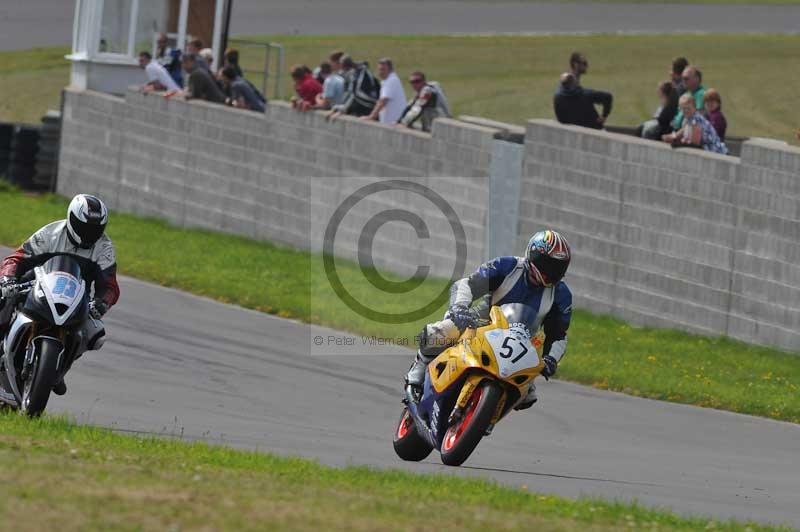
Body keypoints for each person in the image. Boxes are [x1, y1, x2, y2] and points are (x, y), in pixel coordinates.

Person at [405, 230, 572, 410]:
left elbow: (558, 335)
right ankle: (419, 366)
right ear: (533, 255)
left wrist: (551, 359)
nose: (552, 272)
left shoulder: (561, 295)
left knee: (528, 394)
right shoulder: (507, 266)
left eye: (558, 267)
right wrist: (460, 307)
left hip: (519, 345)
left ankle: (489, 414)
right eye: (548, 264)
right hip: (480, 324)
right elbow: (468, 284)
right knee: (440, 332)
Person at [0, 194, 120, 395]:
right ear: (72, 219)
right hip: (36, 287)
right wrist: (8, 279)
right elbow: (16, 259)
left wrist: (101, 303)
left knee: (95, 334)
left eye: (96, 229)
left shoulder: (104, 248)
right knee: (4, 297)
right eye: (85, 227)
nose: (90, 234)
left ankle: (60, 366)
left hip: (75, 299)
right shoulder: (51, 234)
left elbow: (110, 286)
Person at [662, 94, 728, 155]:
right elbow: (682, 131)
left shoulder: (695, 119)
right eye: (683, 108)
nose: (686, 110)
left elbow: (695, 145)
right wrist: (672, 136)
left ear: (694, 107)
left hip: (717, 153)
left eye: (688, 108)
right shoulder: (691, 118)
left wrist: (678, 142)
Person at [363, 58, 406, 124]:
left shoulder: (391, 81)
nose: (380, 72)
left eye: (383, 69)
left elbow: (383, 101)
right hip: (391, 122)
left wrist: (371, 117)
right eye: (379, 69)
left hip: (393, 123)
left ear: (390, 70)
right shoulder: (388, 80)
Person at [671, 66, 705, 131]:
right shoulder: (687, 93)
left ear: (696, 79)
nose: (683, 81)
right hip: (675, 128)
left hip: (686, 131)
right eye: (682, 79)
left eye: (686, 79)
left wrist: (675, 135)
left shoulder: (701, 94)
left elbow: (697, 119)